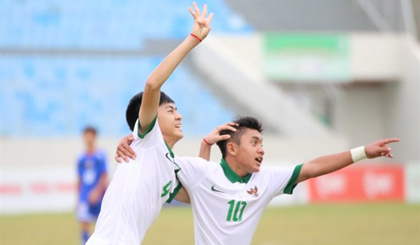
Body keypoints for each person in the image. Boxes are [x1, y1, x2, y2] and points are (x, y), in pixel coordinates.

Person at [117, 117, 399, 245]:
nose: (262, 149)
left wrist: (363, 152)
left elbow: (312, 167)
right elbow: (158, 164)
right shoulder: (205, 174)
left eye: (262, 143)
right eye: (254, 142)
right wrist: (133, 142)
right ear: (232, 148)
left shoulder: (267, 179)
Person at [86, 3, 216, 244]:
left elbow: (198, 190)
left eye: (177, 110)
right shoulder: (147, 140)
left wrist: (206, 144)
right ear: (150, 119)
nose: (179, 116)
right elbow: (152, 85)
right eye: (170, 110)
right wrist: (193, 39)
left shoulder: (167, 166)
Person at [76, 126, 108, 244]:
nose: (87, 138)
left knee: (100, 226)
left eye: (90, 135)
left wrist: (97, 192)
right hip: (85, 195)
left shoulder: (100, 155)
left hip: (98, 196)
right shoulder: (80, 157)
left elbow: (104, 176)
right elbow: (79, 178)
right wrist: (78, 198)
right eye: (85, 135)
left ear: (94, 137)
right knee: (84, 223)